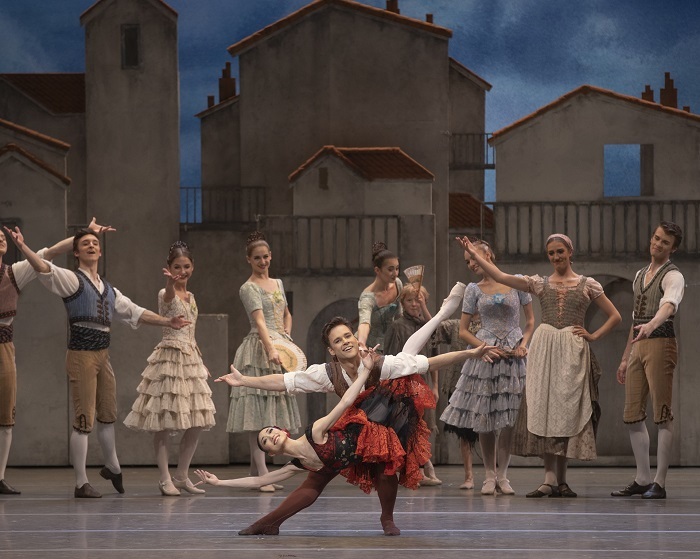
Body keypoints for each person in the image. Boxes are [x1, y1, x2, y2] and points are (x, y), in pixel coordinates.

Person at [198, 292, 494, 536]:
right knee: (313, 482)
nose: (346, 341)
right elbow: (286, 382)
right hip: (347, 437)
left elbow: (430, 364)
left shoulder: (378, 364)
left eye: (348, 335)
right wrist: (244, 380)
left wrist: (469, 353)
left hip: (386, 414)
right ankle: (268, 523)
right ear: (332, 351)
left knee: (405, 371)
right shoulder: (326, 374)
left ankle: (387, 518)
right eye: (338, 341)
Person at [10, 227, 191, 498]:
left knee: (108, 415)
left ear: (101, 250)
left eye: (95, 243)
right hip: (81, 354)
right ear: (77, 252)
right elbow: (44, 267)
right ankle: (81, 482)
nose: (92, 246)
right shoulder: (72, 280)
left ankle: (113, 466)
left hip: (103, 355)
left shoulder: (108, 289)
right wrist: (24, 248)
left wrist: (168, 321)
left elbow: (135, 312)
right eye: (85, 244)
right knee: (84, 419)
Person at [459, 234, 621, 498]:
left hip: (571, 348)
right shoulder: (540, 284)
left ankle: (562, 480)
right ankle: (548, 479)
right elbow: (501, 277)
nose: (556, 257)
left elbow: (615, 316)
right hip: (545, 348)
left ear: (570, 251)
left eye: (560, 252)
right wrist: (476, 255)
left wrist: (593, 335)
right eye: (551, 253)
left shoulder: (587, 284)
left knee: (567, 409)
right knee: (546, 408)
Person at [0, 219, 109, 494]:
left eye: (1, 236)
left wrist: (85, 234)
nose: (1, 239)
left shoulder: (12, 274)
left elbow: (47, 255)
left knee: (6, 414)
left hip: (3, 345)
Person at [440, 240, 535, 495]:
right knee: (485, 416)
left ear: (488, 254)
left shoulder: (515, 282)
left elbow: (530, 321)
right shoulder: (473, 289)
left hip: (513, 353)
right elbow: (462, 331)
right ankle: (489, 475)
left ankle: (503, 475)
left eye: (473, 257)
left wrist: (524, 344)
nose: (471, 264)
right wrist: (482, 347)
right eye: (467, 260)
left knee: (508, 417)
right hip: (486, 354)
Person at [123, 241, 216, 496]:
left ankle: (182, 475)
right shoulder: (166, 293)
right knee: (163, 420)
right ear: (169, 268)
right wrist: (169, 282)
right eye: (177, 267)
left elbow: (192, 332)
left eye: (186, 266)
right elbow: (167, 297)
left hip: (190, 359)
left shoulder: (193, 297)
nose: (182, 271)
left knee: (197, 420)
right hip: (169, 359)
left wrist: (200, 360)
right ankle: (165, 479)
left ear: (193, 267)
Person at [612, 222, 684, 500]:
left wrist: (652, 325)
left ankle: (660, 482)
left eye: (664, 242)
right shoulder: (641, 274)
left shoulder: (673, 275)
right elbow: (634, 320)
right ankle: (642, 478)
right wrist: (624, 357)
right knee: (632, 415)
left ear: (672, 248)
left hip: (661, 342)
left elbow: (669, 305)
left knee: (662, 413)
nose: (657, 244)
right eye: (656, 238)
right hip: (639, 344)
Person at [226, 232, 302, 493]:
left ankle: (255, 469)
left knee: (272, 409)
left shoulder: (278, 284)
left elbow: (286, 314)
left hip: (280, 345)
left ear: (271, 257)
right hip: (259, 349)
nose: (262, 261)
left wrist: (286, 339)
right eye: (257, 258)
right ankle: (262, 473)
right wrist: (271, 347)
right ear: (249, 260)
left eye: (266, 256)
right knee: (257, 410)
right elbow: (259, 321)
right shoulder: (248, 288)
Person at [383, 283, 441, 486]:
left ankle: (423, 466)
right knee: (409, 426)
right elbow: (389, 358)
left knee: (423, 425)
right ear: (402, 303)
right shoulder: (398, 326)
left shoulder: (427, 326)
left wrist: (435, 386)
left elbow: (435, 357)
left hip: (422, 383)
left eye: (419, 300)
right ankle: (419, 469)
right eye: (410, 300)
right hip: (405, 383)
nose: (415, 304)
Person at [357, 242, 402, 351]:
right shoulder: (368, 297)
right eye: (390, 269)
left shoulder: (397, 283)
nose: (395, 273)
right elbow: (364, 323)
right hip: (371, 347)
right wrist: (361, 344)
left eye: (397, 268)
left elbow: (400, 315)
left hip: (391, 342)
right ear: (377, 270)